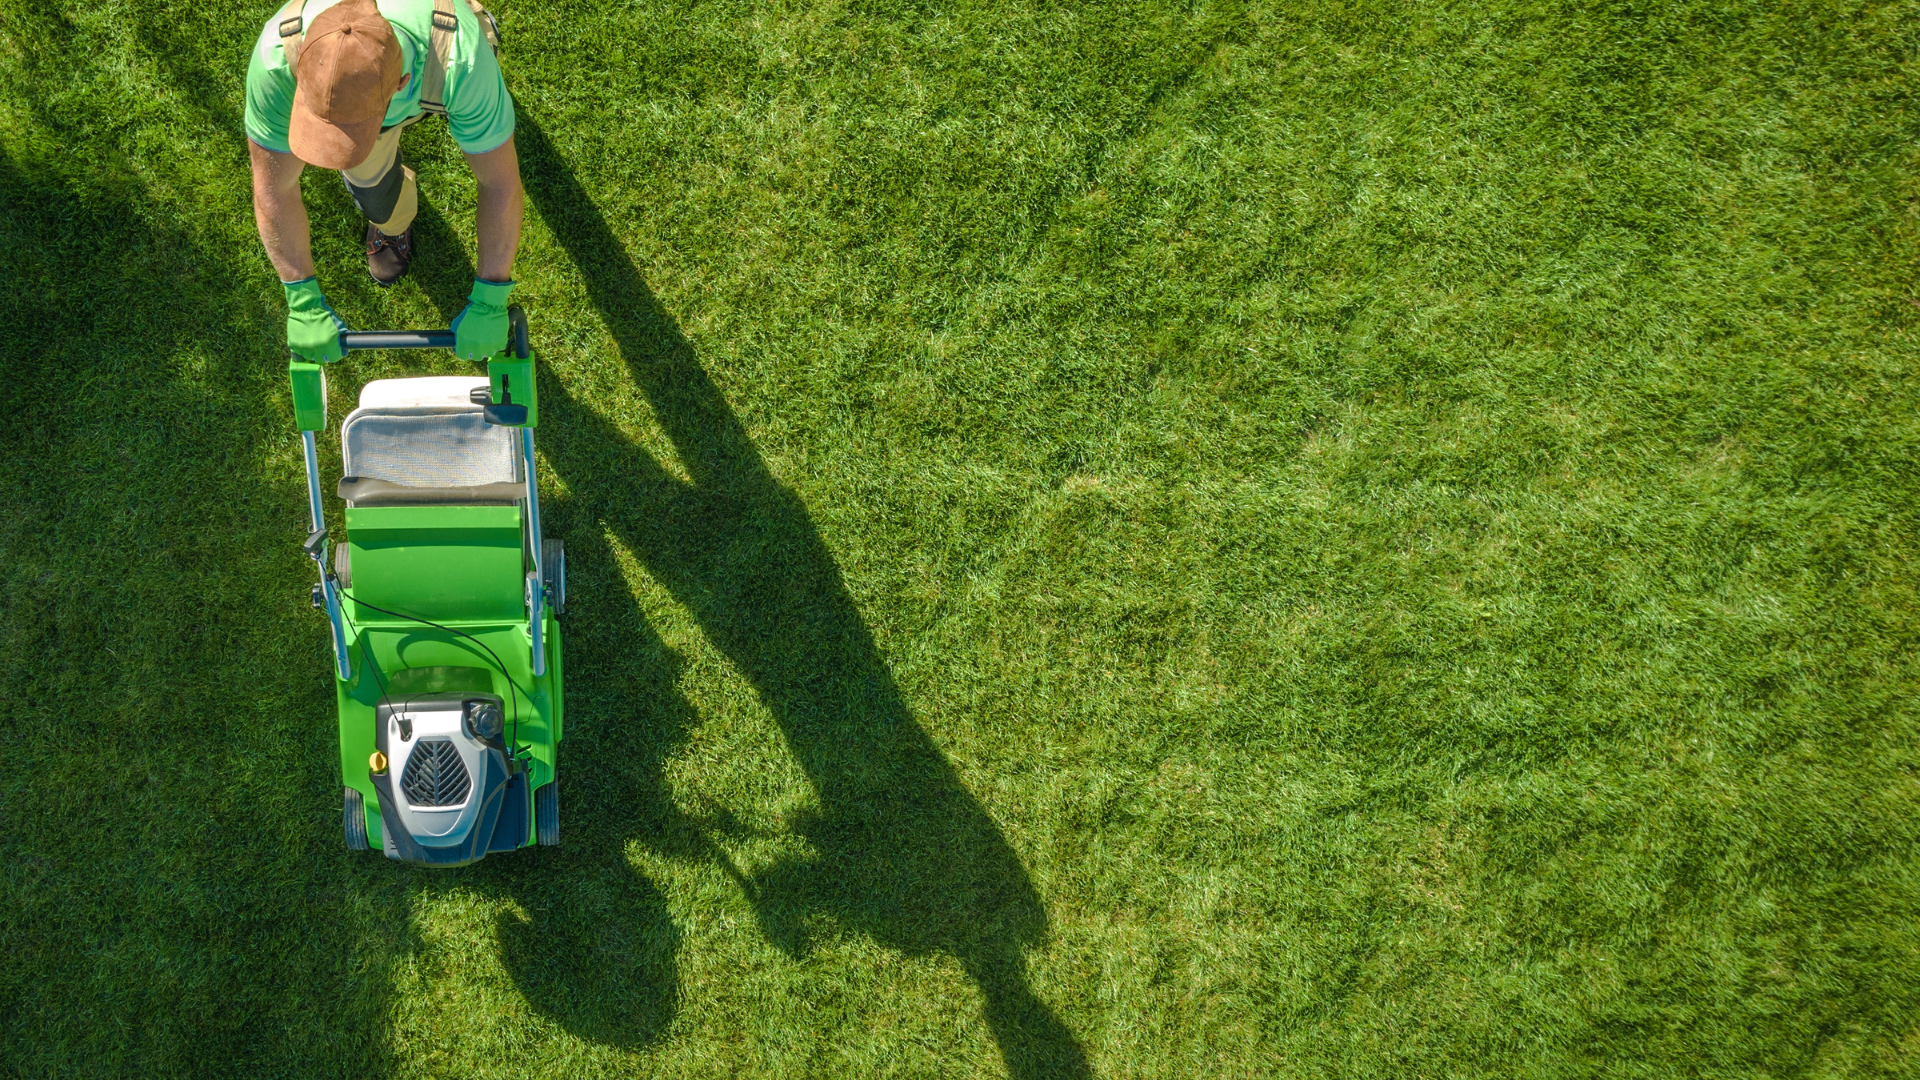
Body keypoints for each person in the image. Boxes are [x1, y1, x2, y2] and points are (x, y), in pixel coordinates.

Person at [244, 0, 522, 364]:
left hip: (437, 58)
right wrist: (302, 300)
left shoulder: (461, 61)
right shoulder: (276, 60)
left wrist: (491, 299)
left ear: (402, 83)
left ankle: (473, 13)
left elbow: (500, 182)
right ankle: (392, 223)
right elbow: (272, 188)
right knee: (375, 194)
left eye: (350, 129)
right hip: (408, 77)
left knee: (479, 59)